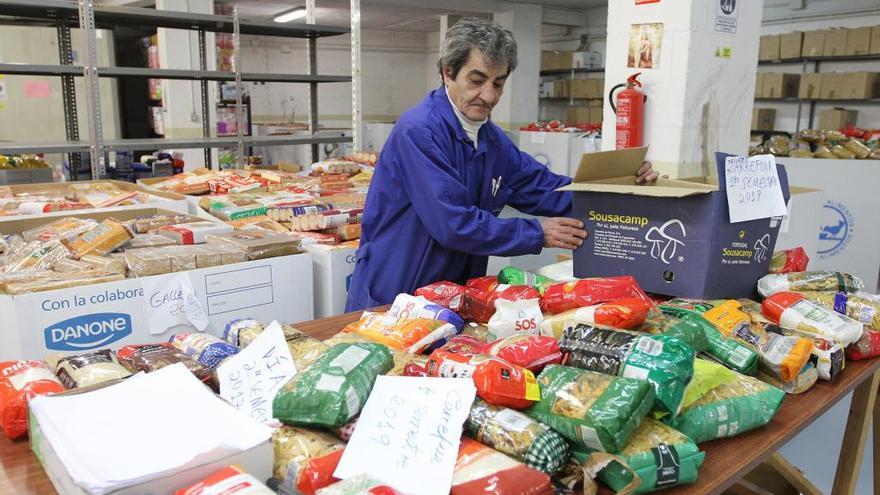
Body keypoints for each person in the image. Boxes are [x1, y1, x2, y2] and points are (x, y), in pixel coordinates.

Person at [345, 18, 659, 312]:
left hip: (450, 295)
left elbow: (548, 189)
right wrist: (537, 233)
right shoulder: (420, 132)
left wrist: (619, 184)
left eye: (498, 83)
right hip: (397, 292)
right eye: (477, 80)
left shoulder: (492, 141)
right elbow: (453, 224)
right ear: (447, 73)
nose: (489, 95)